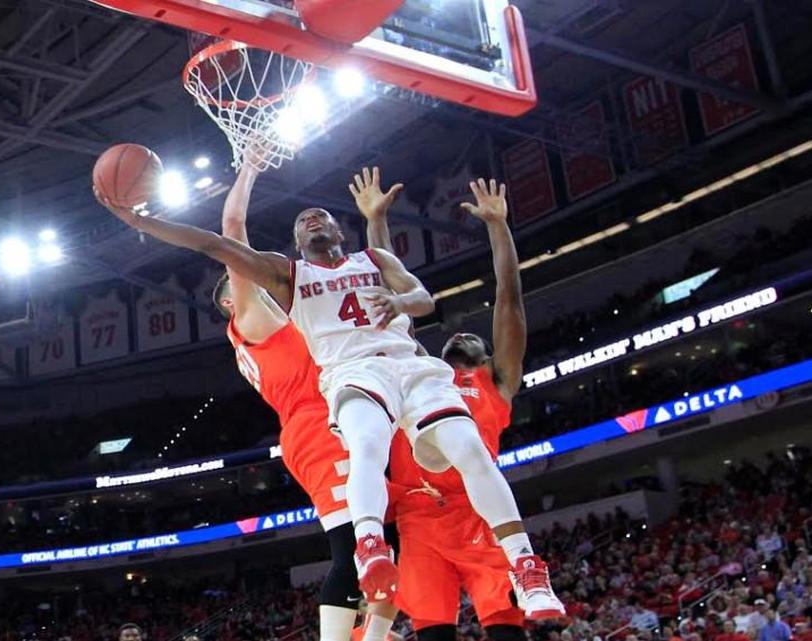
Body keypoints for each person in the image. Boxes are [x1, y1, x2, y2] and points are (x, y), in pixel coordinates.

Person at [96, 166, 561, 616]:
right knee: (366, 445)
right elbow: (216, 242)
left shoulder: (376, 260)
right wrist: (140, 221)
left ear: (341, 229)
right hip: (353, 373)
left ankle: (525, 564)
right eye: (302, 221)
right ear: (297, 243)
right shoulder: (287, 275)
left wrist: (398, 295)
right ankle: (370, 546)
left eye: (321, 215)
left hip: (411, 367)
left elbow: (423, 299)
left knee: (470, 450)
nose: (312, 218)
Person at [360, 176, 562, 636]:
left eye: (474, 336)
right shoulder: (417, 372)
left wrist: (498, 227)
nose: (461, 334)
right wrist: (376, 221)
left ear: (488, 355)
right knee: (432, 632)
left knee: (506, 628)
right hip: (418, 521)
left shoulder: (495, 380)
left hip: (479, 511)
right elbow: (390, 304)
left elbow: (509, 299)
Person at [208, 157, 395, 641]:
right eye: (241, 280)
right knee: (353, 545)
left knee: (387, 539)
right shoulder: (251, 320)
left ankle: (371, 637)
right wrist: (249, 168)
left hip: (354, 411)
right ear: (232, 301)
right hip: (316, 426)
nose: (253, 279)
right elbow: (232, 228)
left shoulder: (293, 316)